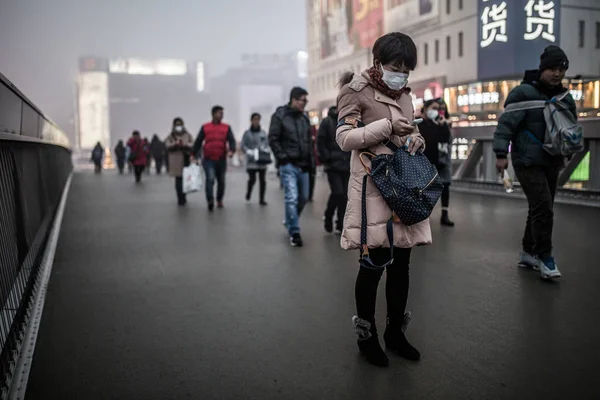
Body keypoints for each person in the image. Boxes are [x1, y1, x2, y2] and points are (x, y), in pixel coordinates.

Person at [336, 32, 428, 367]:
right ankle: (367, 336)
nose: (401, 74)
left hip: (402, 184)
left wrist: (417, 139)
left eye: (407, 70)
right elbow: (345, 138)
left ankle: (395, 333)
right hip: (374, 186)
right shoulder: (355, 90)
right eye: (395, 67)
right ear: (378, 63)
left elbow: (412, 129)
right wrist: (386, 126)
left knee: (402, 263)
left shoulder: (406, 94)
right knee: (374, 262)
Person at [494, 45, 575, 280]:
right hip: (526, 160)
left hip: (552, 159)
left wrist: (568, 151)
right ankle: (545, 257)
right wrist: (501, 154)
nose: (557, 74)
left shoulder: (564, 97)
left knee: (540, 207)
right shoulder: (522, 93)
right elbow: (505, 126)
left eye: (562, 69)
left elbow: (570, 127)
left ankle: (528, 252)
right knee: (544, 207)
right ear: (542, 69)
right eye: (552, 68)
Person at [268, 87, 313, 247]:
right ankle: (294, 232)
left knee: (303, 198)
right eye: (303, 101)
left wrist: (311, 164)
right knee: (292, 198)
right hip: (288, 165)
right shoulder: (280, 116)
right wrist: (283, 158)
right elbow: (273, 139)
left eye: (306, 101)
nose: (304, 104)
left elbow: (308, 142)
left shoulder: (304, 118)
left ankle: (289, 220)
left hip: (304, 165)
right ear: (294, 99)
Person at [193, 105, 236, 211]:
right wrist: (193, 155)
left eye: (222, 113)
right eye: (219, 113)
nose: (221, 115)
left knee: (221, 181)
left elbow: (231, 140)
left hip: (221, 158)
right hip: (208, 159)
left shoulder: (226, 127)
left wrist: (231, 150)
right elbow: (198, 141)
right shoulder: (205, 127)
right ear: (213, 114)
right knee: (210, 179)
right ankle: (210, 200)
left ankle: (219, 199)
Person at [419, 99, 454, 226]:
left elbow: (446, 139)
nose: (436, 111)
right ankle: (422, 215)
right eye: (434, 108)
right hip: (424, 163)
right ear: (426, 108)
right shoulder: (420, 124)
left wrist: (444, 124)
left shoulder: (438, 124)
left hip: (439, 161)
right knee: (424, 190)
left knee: (444, 187)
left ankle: (444, 215)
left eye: (438, 108)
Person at [317, 105, 351, 234]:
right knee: (337, 192)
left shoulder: (348, 121)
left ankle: (340, 224)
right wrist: (327, 158)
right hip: (333, 165)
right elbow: (320, 142)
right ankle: (328, 215)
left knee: (344, 196)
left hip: (346, 163)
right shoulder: (327, 122)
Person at [241, 113, 269, 206]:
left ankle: (262, 199)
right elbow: (243, 145)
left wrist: (265, 149)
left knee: (262, 180)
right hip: (251, 160)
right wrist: (248, 151)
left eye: (258, 119)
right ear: (251, 120)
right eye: (255, 119)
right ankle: (249, 192)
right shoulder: (247, 133)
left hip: (261, 159)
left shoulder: (263, 133)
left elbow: (267, 144)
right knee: (252, 179)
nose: (256, 121)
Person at [165, 118, 194, 206]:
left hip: (186, 159)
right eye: (177, 125)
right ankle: (180, 198)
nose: (178, 127)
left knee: (185, 180)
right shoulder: (171, 136)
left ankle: (184, 195)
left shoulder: (187, 135)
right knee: (178, 180)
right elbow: (167, 145)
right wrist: (175, 144)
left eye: (180, 124)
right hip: (175, 160)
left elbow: (192, 144)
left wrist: (185, 145)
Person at [308, 125, 318, 202]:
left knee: (312, 178)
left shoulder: (313, 130)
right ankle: (309, 195)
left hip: (312, 159)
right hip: (306, 160)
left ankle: (310, 195)